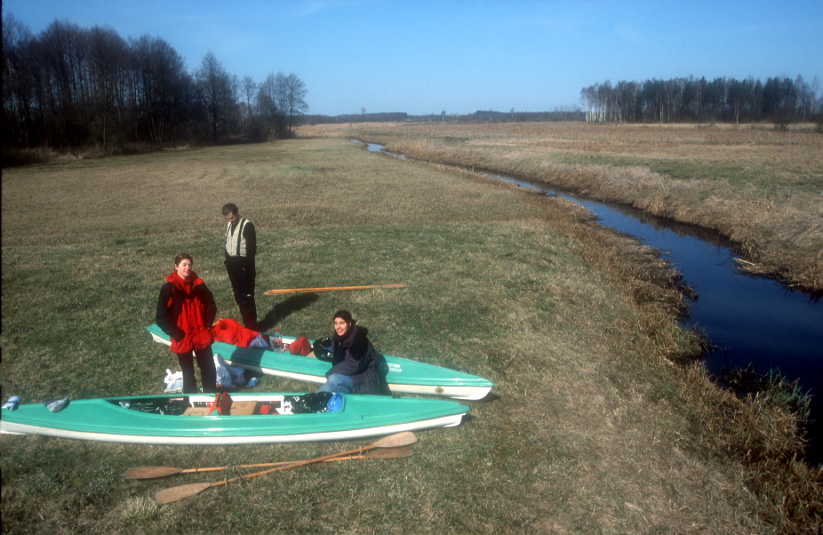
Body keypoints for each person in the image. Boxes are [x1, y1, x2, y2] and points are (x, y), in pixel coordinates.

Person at [156, 253, 218, 394]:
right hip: (183, 336)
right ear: (176, 266)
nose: (187, 268)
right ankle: (190, 398)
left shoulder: (199, 284)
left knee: (208, 367)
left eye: (190, 265)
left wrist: (207, 325)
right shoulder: (168, 289)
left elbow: (211, 305)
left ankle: (211, 395)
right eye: (184, 265)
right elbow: (161, 317)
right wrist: (176, 333)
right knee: (188, 371)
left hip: (200, 333)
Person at [317, 310, 388, 395]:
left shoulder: (359, 340)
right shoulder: (339, 337)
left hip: (365, 380)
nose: (338, 327)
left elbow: (356, 365)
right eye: (336, 323)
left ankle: (350, 399)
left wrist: (331, 372)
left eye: (342, 323)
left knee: (333, 380)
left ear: (349, 323)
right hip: (347, 377)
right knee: (319, 394)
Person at [221, 203, 258, 329]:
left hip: (244, 266)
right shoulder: (229, 224)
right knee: (238, 296)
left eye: (232, 217)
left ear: (237, 212)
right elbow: (228, 242)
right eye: (228, 219)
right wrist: (228, 260)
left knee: (247, 297)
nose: (230, 220)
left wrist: (244, 266)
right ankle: (246, 323)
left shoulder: (247, 225)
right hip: (232, 265)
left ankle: (252, 327)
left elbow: (252, 249)